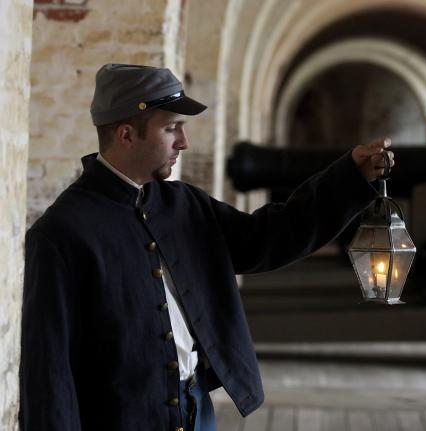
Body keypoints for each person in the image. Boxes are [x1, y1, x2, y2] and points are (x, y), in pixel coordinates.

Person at [19, 63, 395, 431]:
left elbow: (267, 237)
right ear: (126, 135)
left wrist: (348, 179)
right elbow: (49, 371)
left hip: (196, 411)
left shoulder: (183, 205)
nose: (183, 142)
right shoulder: (62, 233)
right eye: (171, 129)